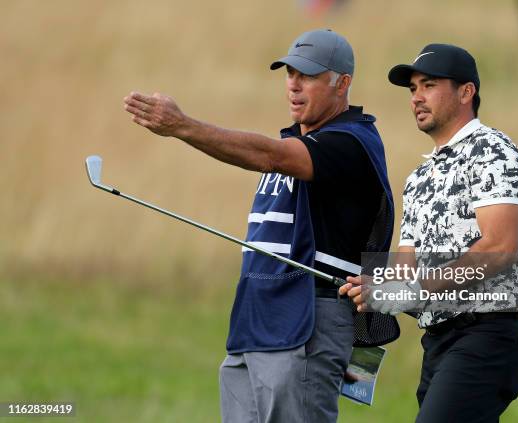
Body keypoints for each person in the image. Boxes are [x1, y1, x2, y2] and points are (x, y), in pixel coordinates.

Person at [123, 29, 397, 422]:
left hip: (307, 322)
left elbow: (271, 156)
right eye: (289, 74)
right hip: (256, 323)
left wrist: (182, 126)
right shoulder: (297, 143)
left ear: (343, 83)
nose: (294, 85)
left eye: (308, 75)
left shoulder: (351, 142)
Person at [340, 43, 518, 421]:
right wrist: (372, 287)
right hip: (437, 343)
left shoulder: (493, 152)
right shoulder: (419, 178)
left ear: (466, 92)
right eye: (413, 89)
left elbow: (499, 249)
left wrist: (411, 290)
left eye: (428, 85)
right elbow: (405, 271)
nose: (417, 98)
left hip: (487, 335)